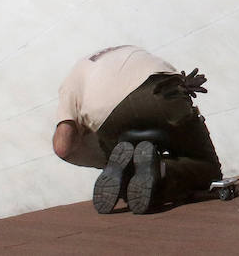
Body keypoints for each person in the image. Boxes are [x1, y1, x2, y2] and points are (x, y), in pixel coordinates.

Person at [53, 45, 223, 214]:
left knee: (135, 188)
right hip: (159, 93)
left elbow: (63, 146)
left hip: (108, 117)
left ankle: (129, 175)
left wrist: (100, 157)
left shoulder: (73, 79)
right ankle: (162, 169)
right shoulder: (130, 50)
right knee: (207, 167)